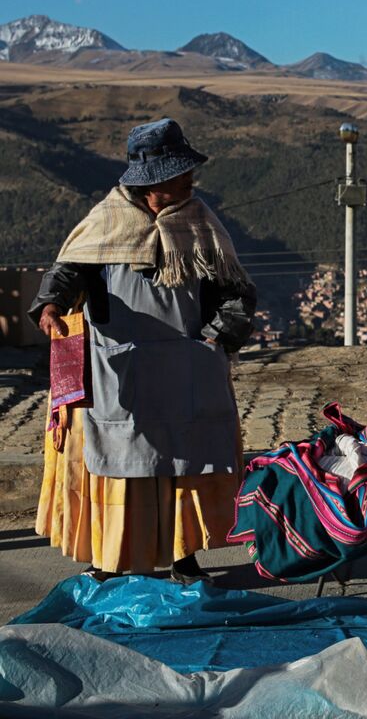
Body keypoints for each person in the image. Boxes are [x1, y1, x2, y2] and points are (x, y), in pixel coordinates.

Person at [30, 118, 255, 583]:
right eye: (180, 175)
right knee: (120, 465)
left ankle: (184, 558)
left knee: (183, 464)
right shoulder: (104, 225)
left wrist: (216, 339)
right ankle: (109, 557)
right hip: (119, 372)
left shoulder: (200, 223)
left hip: (186, 368)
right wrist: (50, 305)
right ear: (152, 182)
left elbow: (236, 292)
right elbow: (67, 271)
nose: (190, 182)